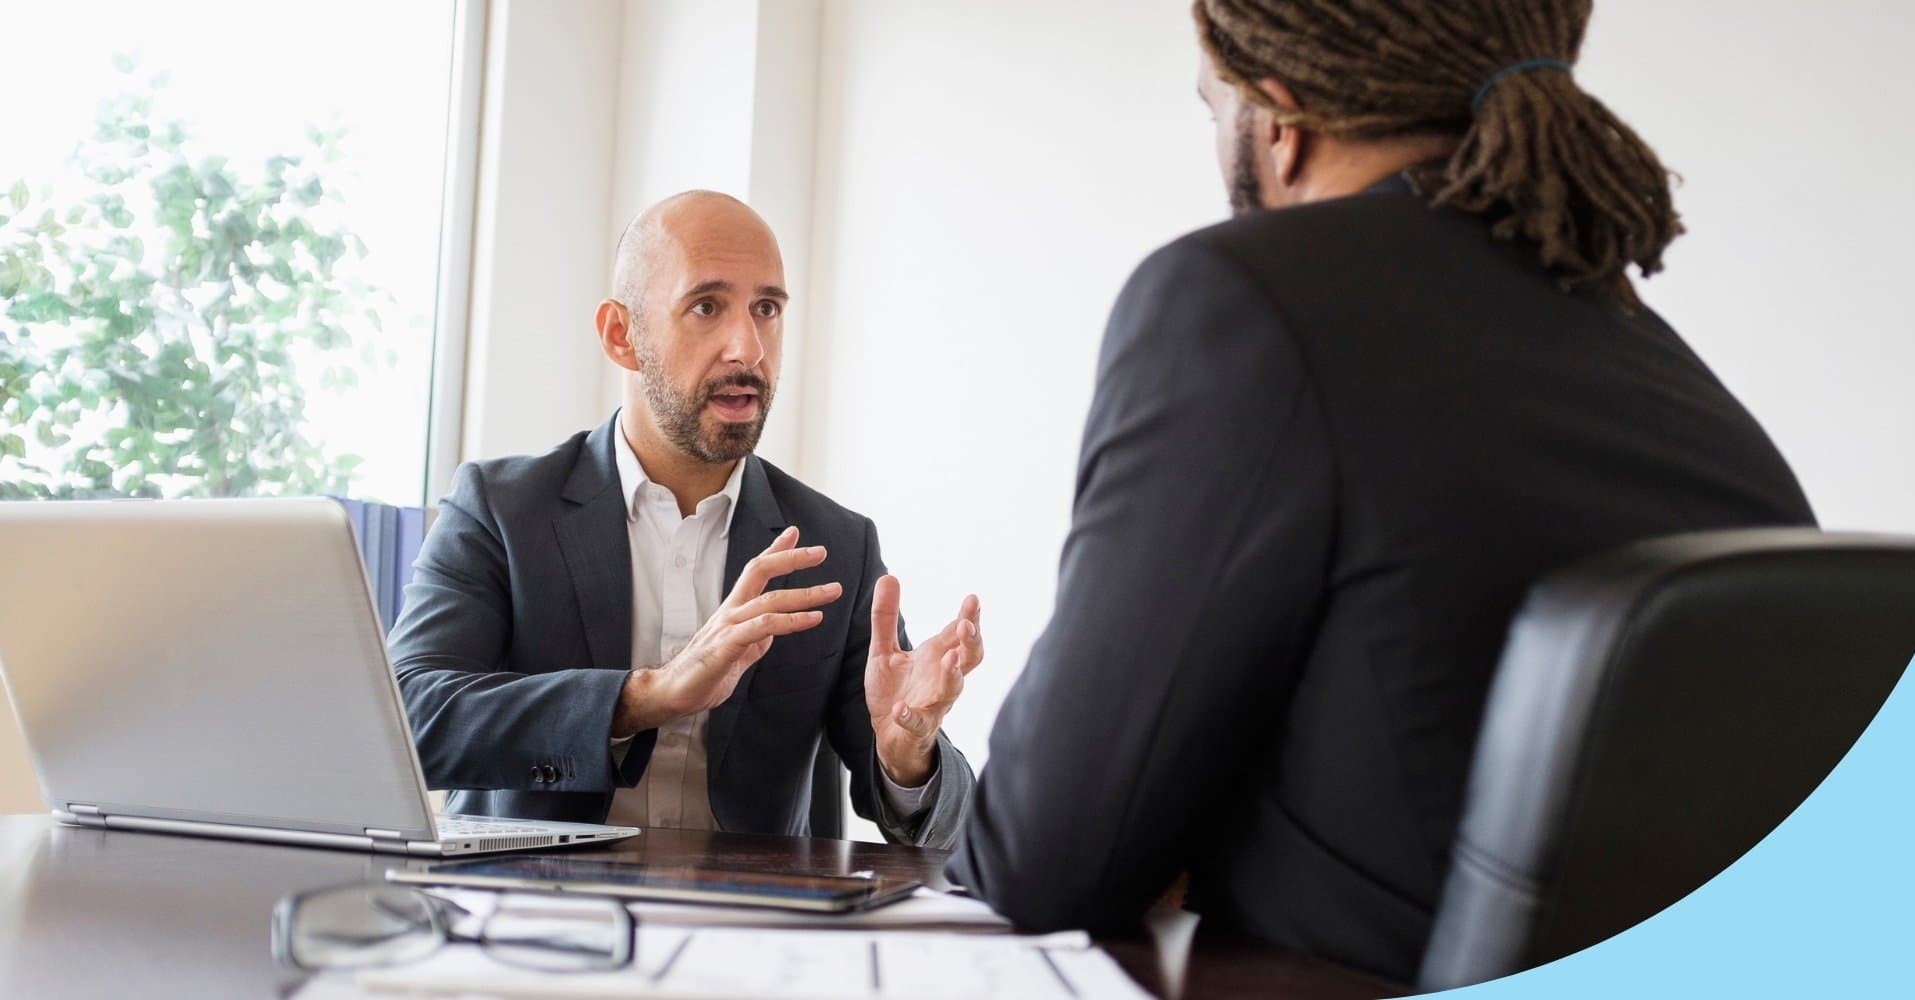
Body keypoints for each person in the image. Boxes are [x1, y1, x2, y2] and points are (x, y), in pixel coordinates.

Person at [946, 0, 1815, 979]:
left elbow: (1037, 865)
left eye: (1212, 106)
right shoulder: (1678, 388)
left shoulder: (1241, 302)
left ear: (1278, 119)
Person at [391, 191, 978, 848]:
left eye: (767, 309)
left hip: (755, 930)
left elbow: (942, 820)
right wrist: (646, 696)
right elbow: (408, 720)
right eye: (707, 306)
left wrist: (908, 755)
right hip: (536, 920)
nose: (748, 348)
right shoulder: (501, 510)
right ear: (622, 335)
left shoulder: (838, 546)